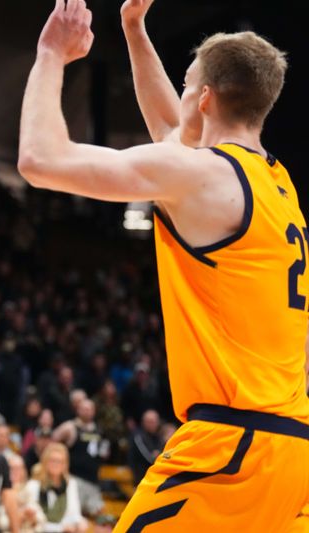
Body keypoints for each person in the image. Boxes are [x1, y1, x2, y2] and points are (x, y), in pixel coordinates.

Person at [17, 0, 309, 529]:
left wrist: (50, 55)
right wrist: (133, 28)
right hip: (293, 451)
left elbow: (40, 160)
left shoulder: (204, 176)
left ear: (203, 98)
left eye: (185, 84)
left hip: (230, 449)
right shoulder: (276, 182)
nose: (180, 96)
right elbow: (171, 134)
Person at [51, 399, 107, 517]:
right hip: (75, 479)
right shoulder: (70, 427)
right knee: (74, 515)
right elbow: (52, 442)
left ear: (94, 411)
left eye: (90, 409)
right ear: (78, 410)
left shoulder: (99, 429)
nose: (87, 412)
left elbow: (103, 452)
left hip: (93, 481)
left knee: (99, 515)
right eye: (84, 409)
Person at [27, 443, 87, 533]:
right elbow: (35, 521)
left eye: (60, 461)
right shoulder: (33, 485)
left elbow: (74, 513)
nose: (56, 464)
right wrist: (59, 528)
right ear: (45, 462)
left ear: (65, 464)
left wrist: (80, 522)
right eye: (52, 460)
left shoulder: (70, 484)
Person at [0, 454, 46, 533]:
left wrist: (33, 519)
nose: (16, 471)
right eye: (12, 468)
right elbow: (1, 523)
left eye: (19, 468)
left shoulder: (30, 488)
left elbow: (41, 520)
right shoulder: (0, 491)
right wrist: (20, 516)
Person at [128, 409, 164, 486]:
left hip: (153, 478)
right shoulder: (138, 436)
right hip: (139, 478)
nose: (153, 424)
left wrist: (158, 455)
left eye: (155, 421)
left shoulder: (158, 436)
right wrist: (158, 456)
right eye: (150, 421)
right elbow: (149, 458)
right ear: (144, 422)